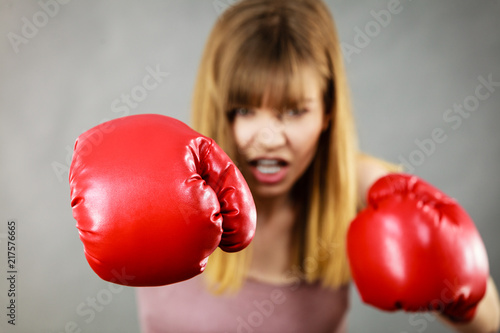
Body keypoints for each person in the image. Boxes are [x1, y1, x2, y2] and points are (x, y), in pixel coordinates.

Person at [126, 0, 500, 331]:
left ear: (327, 112)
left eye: (293, 110)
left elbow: (490, 320)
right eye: (244, 109)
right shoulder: (169, 187)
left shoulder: (355, 189)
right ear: (220, 110)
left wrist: (457, 296)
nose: (270, 137)